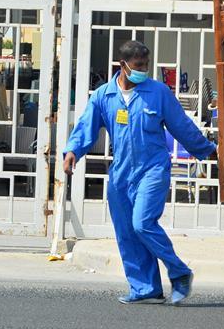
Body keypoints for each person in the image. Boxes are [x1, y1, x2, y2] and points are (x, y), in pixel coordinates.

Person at [64, 41, 215, 306]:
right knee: (127, 232)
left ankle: (179, 272)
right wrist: (72, 152)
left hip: (152, 169)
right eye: (138, 66)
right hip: (121, 172)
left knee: (142, 223)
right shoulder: (104, 96)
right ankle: (145, 287)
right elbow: (86, 127)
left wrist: (207, 150)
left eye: (145, 65)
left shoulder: (158, 93)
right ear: (122, 66)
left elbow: (181, 126)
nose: (143, 70)